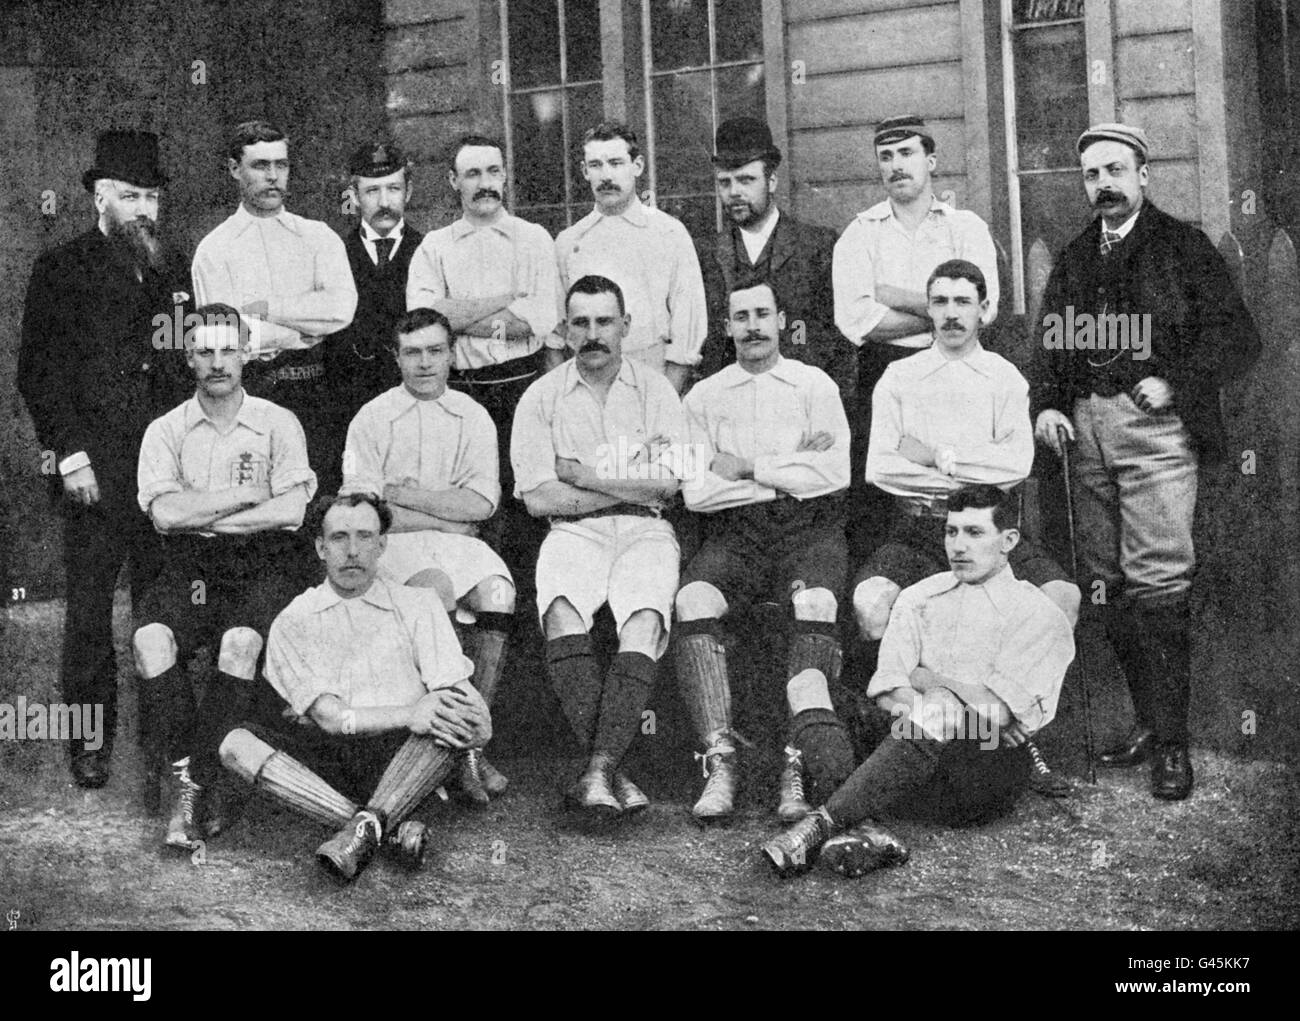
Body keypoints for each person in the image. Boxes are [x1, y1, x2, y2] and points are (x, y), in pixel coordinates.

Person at [1031, 123, 1261, 801]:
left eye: (1114, 170)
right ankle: (1145, 723)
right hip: (1088, 431)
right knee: (1108, 583)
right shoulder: (1075, 257)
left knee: (1159, 580)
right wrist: (1048, 402)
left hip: (1157, 431)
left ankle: (1172, 745)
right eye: (1091, 175)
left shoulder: (1183, 247)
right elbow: (1050, 345)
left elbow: (1239, 339)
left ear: (1143, 174)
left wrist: (1178, 381)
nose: (1102, 184)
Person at [762, 485, 1075, 878]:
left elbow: (997, 715)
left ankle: (822, 822)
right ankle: (862, 828)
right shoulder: (919, 596)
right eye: (951, 532)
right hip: (909, 750)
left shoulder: (1038, 613)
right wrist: (943, 699)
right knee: (807, 681)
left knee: (943, 702)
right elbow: (887, 691)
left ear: (1009, 540)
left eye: (974, 533)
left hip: (982, 767)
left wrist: (927, 679)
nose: (958, 546)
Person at [852, 259, 1079, 796]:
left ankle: (1014, 730)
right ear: (927, 309)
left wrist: (937, 459)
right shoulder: (900, 377)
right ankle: (906, 746)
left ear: (984, 309)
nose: (951, 314)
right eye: (940, 302)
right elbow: (881, 468)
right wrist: (973, 463)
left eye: (962, 302)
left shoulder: (1004, 378)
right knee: (870, 601)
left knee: (1062, 598)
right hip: (918, 529)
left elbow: (1015, 466)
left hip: (991, 534)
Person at [17, 129, 191, 788]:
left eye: (152, 195)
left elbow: (183, 360)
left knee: (162, 602)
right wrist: (70, 455)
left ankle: (161, 736)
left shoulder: (174, 266)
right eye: (130, 195)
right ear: (99, 196)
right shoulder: (61, 269)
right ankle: (90, 742)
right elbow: (40, 373)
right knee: (90, 610)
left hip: (164, 470)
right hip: (94, 465)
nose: (144, 207)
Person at [219, 492, 490, 882]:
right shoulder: (294, 620)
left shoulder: (418, 605)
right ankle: (381, 829)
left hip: (401, 758)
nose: (352, 551)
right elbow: (331, 720)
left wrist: (464, 720)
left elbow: (471, 715)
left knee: (443, 719)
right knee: (235, 744)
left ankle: (361, 830)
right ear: (320, 548)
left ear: (382, 545)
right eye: (339, 538)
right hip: (329, 756)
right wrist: (411, 712)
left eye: (365, 537)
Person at [133, 308, 316, 849]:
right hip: (189, 563)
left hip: (261, 560)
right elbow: (165, 516)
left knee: (239, 643)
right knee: (150, 641)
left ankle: (200, 786)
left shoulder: (277, 421)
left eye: (227, 350)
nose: (217, 362)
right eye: (204, 351)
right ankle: (192, 781)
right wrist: (244, 494)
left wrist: (205, 511)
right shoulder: (164, 430)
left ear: (246, 354)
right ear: (188, 357)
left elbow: (292, 512)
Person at [511, 275, 689, 819]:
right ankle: (611, 768)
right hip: (571, 532)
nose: (593, 334)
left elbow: (669, 485)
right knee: (563, 612)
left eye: (604, 321)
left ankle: (595, 770)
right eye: (581, 323)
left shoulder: (656, 390)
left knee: (642, 621)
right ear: (564, 331)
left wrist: (583, 474)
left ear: (626, 326)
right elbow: (540, 499)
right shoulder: (541, 396)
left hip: (646, 528)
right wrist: (624, 478)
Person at [675, 279, 851, 823]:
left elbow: (834, 474)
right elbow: (699, 492)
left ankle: (796, 764)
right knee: (694, 600)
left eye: (762, 315)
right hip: (737, 534)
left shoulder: (812, 384)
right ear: (725, 328)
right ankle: (720, 759)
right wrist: (791, 465)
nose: (752, 326)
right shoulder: (703, 397)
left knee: (816, 602)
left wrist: (747, 465)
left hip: (809, 531)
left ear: (780, 321)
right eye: (740, 317)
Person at [341, 307, 515, 803]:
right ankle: (447, 748)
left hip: (464, 542)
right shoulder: (371, 418)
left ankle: (470, 743)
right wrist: (443, 515)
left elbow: (481, 504)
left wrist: (405, 495)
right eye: (412, 352)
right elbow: (364, 509)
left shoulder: (472, 416)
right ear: (396, 357)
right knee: (434, 586)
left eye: (435, 351)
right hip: (394, 546)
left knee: (498, 593)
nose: (424, 363)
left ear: (451, 355)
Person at [832, 115, 1000, 562]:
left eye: (906, 153)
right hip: (883, 371)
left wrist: (893, 296)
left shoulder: (965, 228)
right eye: (885, 157)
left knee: (958, 481)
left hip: (958, 373)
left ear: (931, 160)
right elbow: (858, 321)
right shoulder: (861, 233)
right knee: (884, 502)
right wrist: (945, 313)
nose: (896, 165)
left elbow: (986, 307)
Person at [405, 133, 559, 595]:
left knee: (525, 507)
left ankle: (526, 628)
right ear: (454, 181)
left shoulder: (533, 240)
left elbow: (538, 320)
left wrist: (461, 315)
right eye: (472, 174)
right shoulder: (435, 246)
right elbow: (427, 321)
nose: (485, 183)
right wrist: (506, 301)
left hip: (521, 387)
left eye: (493, 171)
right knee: (470, 506)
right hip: (460, 392)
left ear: (506, 175)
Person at [192, 119, 357, 494]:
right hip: (251, 394)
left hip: (319, 392)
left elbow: (340, 310)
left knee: (321, 502)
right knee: (258, 502)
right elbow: (229, 336)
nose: (272, 177)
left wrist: (264, 308)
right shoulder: (214, 250)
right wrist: (306, 328)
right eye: (260, 165)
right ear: (234, 169)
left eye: (280, 165)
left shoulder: (318, 238)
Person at [697, 117, 853, 407]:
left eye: (746, 180)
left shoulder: (818, 247)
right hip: (730, 410)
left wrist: (829, 414)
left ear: (772, 181)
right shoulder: (704, 254)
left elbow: (842, 347)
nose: (734, 193)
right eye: (724, 182)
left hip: (803, 407)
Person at [555, 122, 707, 393]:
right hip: (587, 384)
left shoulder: (669, 233)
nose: (606, 176)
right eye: (596, 165)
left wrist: (664, 401)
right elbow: (556, 334)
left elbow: (688, 328)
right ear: (584, 171)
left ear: (637, 166)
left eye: (615, 163)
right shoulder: (569, 241)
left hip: (654, 379)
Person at [326, 142, 425, 452]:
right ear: (354, 197)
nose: (384, 202)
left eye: (393, 189)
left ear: (408, 192)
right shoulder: (333, 254)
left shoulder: (430, 252)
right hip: (350, 406)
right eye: (372, 191)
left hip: (415, 402)